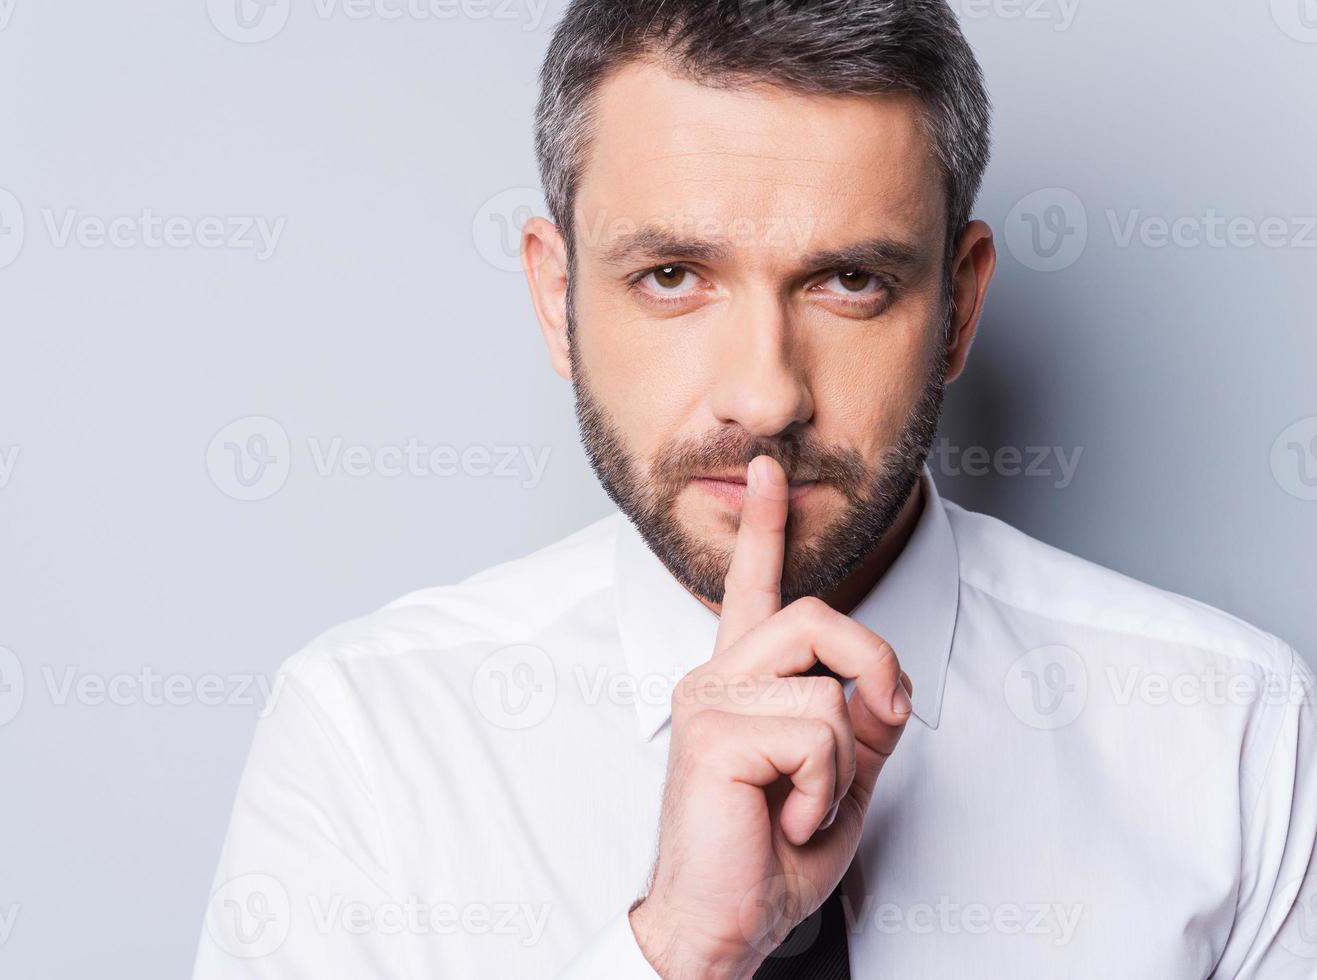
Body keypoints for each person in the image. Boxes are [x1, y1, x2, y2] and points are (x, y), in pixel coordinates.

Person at [195, 2, 1317, 976]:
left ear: (959, 310)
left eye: (849, 281)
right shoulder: (370, 736)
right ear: (555, 298)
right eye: (671, 277)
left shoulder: (1226, 731)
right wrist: (679, 949)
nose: (765, 394)